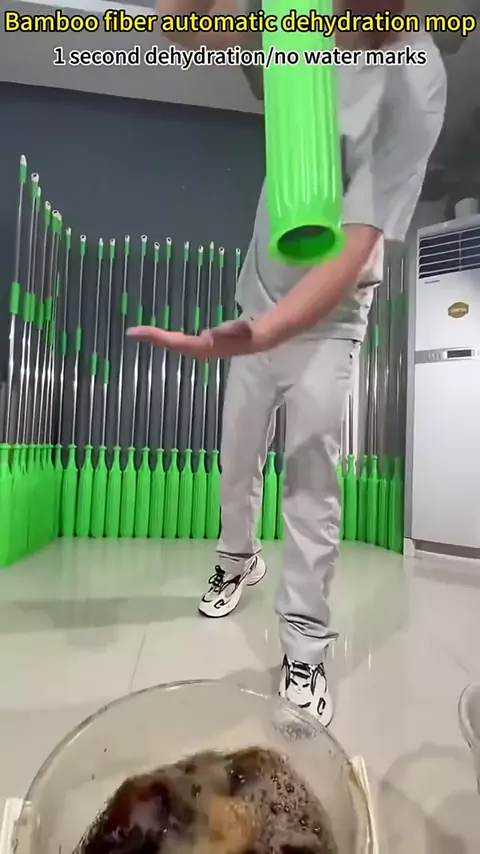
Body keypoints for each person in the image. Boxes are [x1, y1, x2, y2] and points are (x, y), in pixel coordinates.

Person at [128, 0, 447, 725]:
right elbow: (181, 27)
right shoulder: (295, 17)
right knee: (236, 458)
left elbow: (359, 240)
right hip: (259, 295)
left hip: (332, 319)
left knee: (311, 481)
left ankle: (304, 646)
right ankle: (237, 559)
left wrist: (268, 331)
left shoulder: (416, 78)